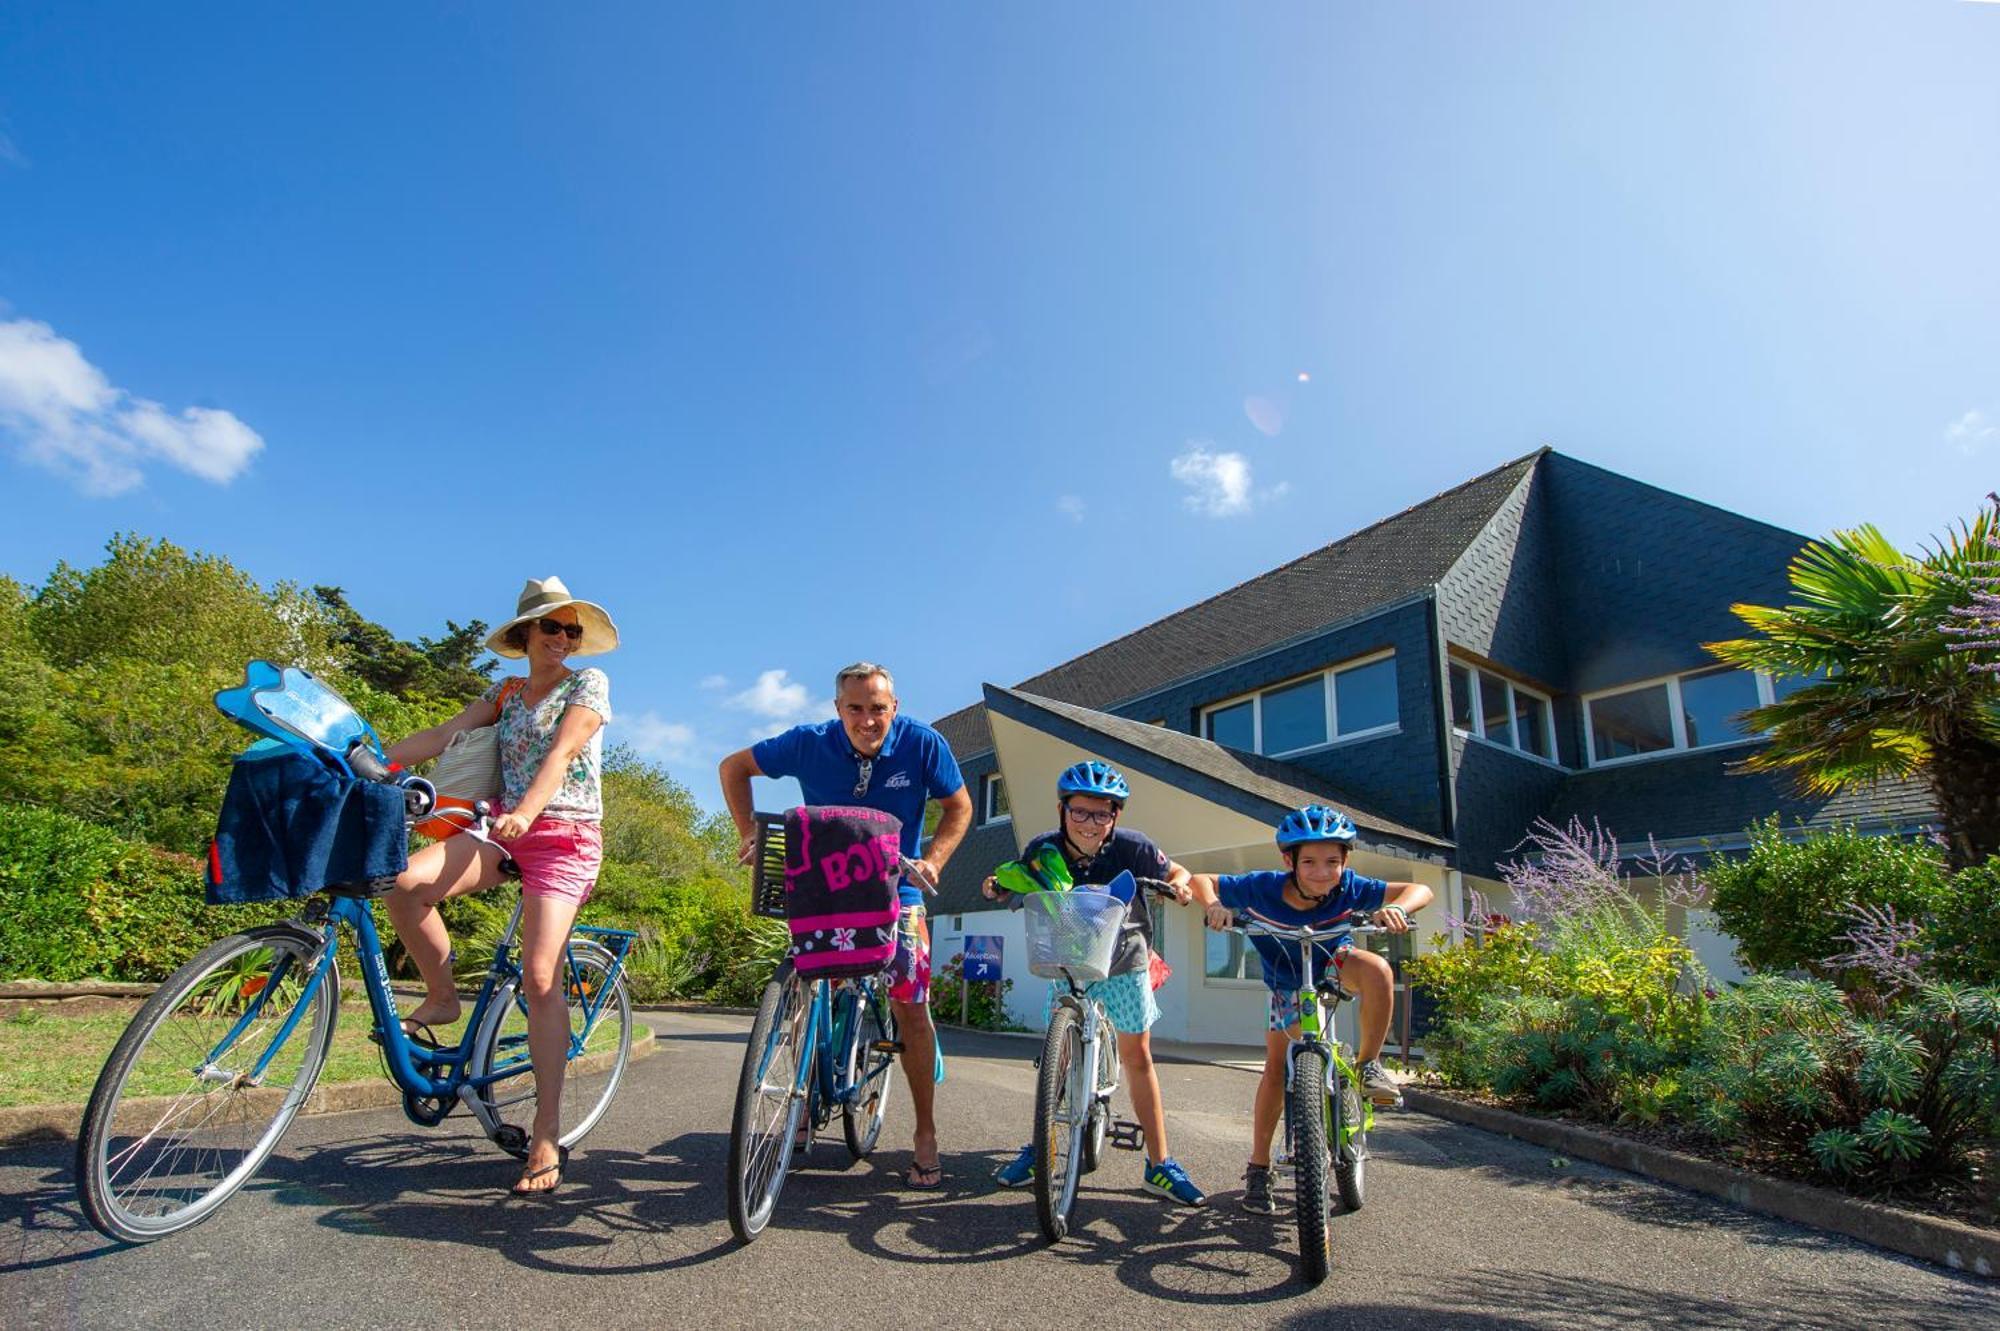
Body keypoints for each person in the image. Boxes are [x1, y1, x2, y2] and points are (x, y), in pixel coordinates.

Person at [382, 576, 617, 1197]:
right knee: (403, 884)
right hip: (503, 830)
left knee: (540, 977)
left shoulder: (587, 684)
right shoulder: (508, 690)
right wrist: (375, 762)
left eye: (572, 630)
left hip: (564, 836)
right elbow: (446, 735)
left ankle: (545, 1131)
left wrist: (529, 811)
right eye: (552, 627)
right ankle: (442, 996)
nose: (564, 639)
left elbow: (563, 753)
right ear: (524, 635)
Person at [718, 662, 972, 1189]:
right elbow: (733, 766)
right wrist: (746, 832)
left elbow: (960, 806)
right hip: (824, 889)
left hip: (897, 889)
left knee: (909, 1002)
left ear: (893, 708)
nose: (867, 719)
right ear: (838, 710)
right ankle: (805, 1095)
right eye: (855, 708)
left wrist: (935, 862)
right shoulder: (808, 743)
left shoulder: (923, 744)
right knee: (804, 988)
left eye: (878, 708)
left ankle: (925, 1133)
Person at [1185, 804, 1432, 1216]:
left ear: (1345, 861)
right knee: (1276, 1066)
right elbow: (1199, 880)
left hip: (1334, 965)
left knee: (1378, 970)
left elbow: (1420, 890)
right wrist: (1213, 904)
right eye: (1311, 862)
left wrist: (1399, 909)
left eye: (1333, 861)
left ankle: (1369, 1065)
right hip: (1285, 982)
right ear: (1289, 861)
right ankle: (1259, 1167)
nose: (1323, 872)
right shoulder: (1260, 887)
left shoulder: (1351, 887)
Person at [982, 760, 1208, 1206]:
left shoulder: (1134, 848)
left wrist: (1179, 887)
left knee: (1137, 1054)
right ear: (1063, 809)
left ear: (1115, 816)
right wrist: (995, 887)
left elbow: (1178, 873)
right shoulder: (1044, 848)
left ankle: (1160, 1165)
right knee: (1057, 1056)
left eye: (1101, 814)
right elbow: (1013, 882)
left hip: (1125, 959)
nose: (1090, 823)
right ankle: (1040, 1146)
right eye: (1080, 812)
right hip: (1065, 961)